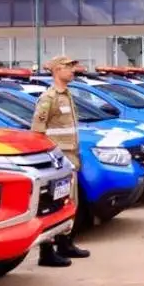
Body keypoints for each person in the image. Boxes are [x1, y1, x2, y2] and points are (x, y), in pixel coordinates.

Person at [30, 55, 89, 268]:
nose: (73, 71)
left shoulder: (67, 94)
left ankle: (65, 243)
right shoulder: (49, 97)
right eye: (68, 67)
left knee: (70, 203)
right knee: (53, 205)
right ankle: (46, 252)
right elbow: (38, 131)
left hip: (70, 158)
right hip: (57, 161)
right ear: (56, 70)